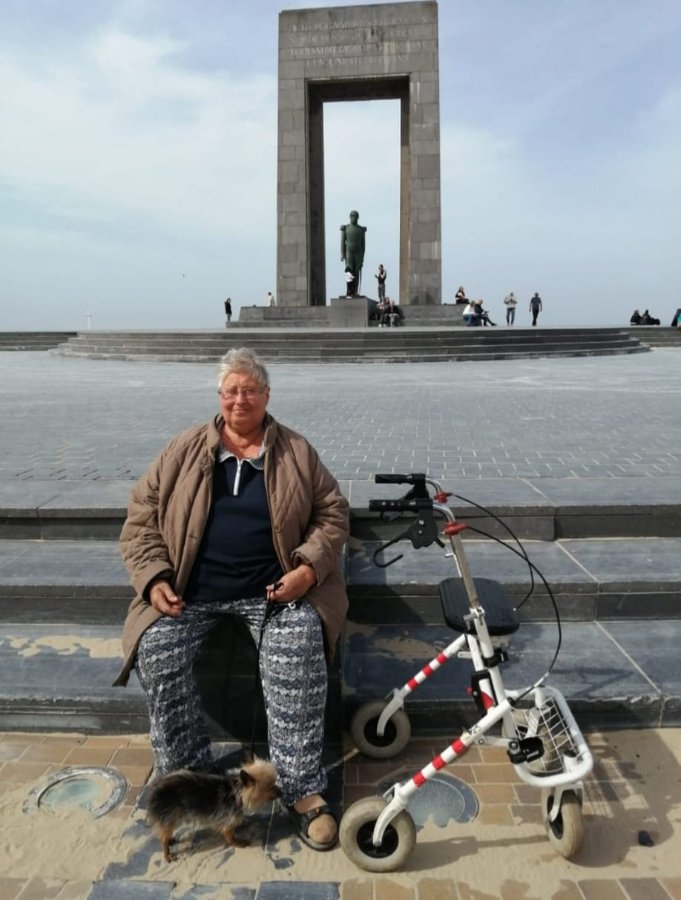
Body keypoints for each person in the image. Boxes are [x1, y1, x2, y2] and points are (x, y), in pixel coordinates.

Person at [114, 347, 349, 852]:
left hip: (274, 594)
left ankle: (300, 787)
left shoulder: (296, 451)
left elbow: (333, 513)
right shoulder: (182, 449)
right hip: (190, 594)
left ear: (266, 395)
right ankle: (187, 778)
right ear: (219, 396)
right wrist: (153, 579)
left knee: (297, 647)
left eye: (250, 390)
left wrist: (307, 569)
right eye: (230, 391)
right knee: (156, 650)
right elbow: (140, 517)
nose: (239, 400)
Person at [340, 211, 366, 296]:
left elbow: (363, 245)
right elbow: (342, 242)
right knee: (349, 270)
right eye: (352, 216)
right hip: (349, 252)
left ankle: (355, 291)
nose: (354, 218)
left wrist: (362, 258)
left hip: (358, 252)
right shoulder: (346, 228)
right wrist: (342, 254)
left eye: (355, 216)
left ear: (358, 218)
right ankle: (349, 290)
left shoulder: (361, 229)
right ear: (350, 217)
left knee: (356, 271)